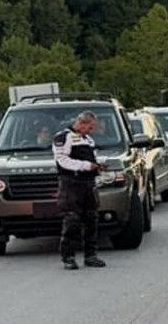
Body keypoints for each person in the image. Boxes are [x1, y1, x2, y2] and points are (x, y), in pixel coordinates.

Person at [52, 111, 107, 270]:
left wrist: (98, 165)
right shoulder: (63, 137)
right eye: (89, 127)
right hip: (71, 183)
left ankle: (91, 255)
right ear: (81, 123)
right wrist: (85, 166)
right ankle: (68, 256)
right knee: (72, 219)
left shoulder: (87, 140)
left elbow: (91, 159)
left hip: (88, 183)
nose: (91, 131)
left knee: (92, 218)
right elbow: (63, 161)